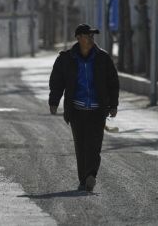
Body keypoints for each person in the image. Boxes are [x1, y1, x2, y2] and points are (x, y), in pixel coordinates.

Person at [49, 23, 119, 192]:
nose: (91, 39)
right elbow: (57, 80)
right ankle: (84, 179)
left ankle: (91, 175)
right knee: (81, 146)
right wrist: (54, 101)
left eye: (92, 36)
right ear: (79, 38)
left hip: (97, 110)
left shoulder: (103, 58)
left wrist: (113, 105)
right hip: (76, 110)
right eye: (88, 36)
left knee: (94, 145)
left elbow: (113, 82)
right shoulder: (66, 58)